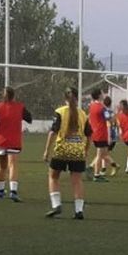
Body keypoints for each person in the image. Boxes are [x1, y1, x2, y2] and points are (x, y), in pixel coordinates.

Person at [43, 86, 89, 219]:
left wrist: (46, 151)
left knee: (53, 177)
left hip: (62, 151)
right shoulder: (83, 114)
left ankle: (56, 205)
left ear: (65, 98)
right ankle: (79, 211)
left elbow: (53, 132)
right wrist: (85, 150)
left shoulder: (60, 112)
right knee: (77, 181)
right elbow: (89, 135)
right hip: (77, 152)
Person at [0, 86, 32, 201]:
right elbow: (30, 119)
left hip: (0, 140)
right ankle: (13, 191)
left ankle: (1, 191)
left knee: (2, 166)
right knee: (12, 164)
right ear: (14, 96)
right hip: (14, 140)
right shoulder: (19, 107)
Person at [86, 89, 111, 181]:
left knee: (103, 154)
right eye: (102, 92)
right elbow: (109, 118)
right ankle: (96, 175)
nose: (103, 94)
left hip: (95, 132)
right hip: (101, 133)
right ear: (99, 95)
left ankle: (94, 169)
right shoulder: (102, 107)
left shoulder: (92, 106)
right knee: (100, 155)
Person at [103, 94, 121, 177]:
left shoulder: (105, 112)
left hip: (108, 136)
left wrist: (109, 136)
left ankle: (115, 165)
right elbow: (117, 124)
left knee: (103, 154)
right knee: (105, 153)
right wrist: (117, 134)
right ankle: (103, 170)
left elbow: (108, 125)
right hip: (113, 136)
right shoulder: (113, 113)